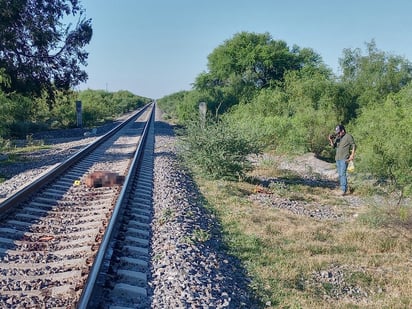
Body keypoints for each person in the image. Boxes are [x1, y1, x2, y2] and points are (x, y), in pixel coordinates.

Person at [328, 124, 356, 196]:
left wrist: (352, 155)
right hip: (338, 158)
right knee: (340, 174)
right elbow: (333, 146)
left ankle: (343, 190)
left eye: (339, 132)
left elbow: (353, 145)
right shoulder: (338, 137)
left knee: (342, 173)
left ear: (343, 130)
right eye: (337, 132)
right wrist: (331, 140)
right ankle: (343, 188)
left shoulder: (348, 136)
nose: (338, 133)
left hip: (344, 158)